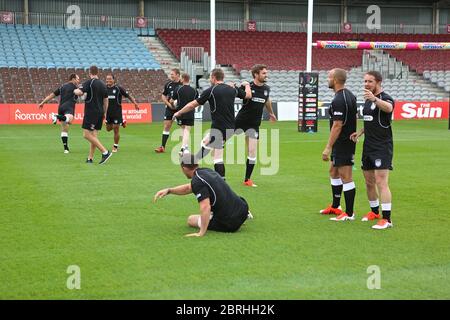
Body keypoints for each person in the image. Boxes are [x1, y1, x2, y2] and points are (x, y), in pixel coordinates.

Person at [173, 68, 251, 178]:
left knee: (217, 157)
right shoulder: (232, 89)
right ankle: (195, 161)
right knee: (206, 141)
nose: (210, 79)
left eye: (210, 77)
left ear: (214, 77)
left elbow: (192, 105)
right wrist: (247, 85)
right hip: (230, 127)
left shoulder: (211, 90)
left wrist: (179, 112)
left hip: (219, 128)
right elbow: (248, 95)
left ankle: (221, 183)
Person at [153, 154, 252, 237]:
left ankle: (229, 219)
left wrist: (201, 232)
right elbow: (189, 188)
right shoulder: (206, 171)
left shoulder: (197, 181)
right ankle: (241, 216)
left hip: (229, 223)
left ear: (184, 168)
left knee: (191, 219)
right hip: (242, 210)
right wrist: (169, 190)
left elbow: (205, 207)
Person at [350, 71, 395, 230]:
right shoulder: (367, 100)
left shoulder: (385, 98)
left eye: (370, 81)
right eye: (365, 81)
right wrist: (361, 132)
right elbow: (370, 121)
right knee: (369, 182)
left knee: (381, 182)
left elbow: (389, 108)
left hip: (382, 147)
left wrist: (375, 99)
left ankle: (387, 219)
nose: (366, 84)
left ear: (378, 82)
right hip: (368, 146)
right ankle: (374, 212)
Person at [321, 68, 358, 222]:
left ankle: (349, 213)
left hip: (343, 142)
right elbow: (354, 116)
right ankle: (336, 206)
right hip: (343, 142)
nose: (327, 79)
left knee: (346, 176)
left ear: (335, 79)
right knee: (333, 172)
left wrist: (328, 147)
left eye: (329, 77)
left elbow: (337, 125)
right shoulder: (349, 95)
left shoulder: (339, 99)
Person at [235, 64, 277, 187]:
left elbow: (267, 100)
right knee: (219, 141)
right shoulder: (247, 86)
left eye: (266, 73)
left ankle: (247, 179)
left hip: (254, 125)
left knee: (252, 151)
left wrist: (271, 113)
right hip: (240, 121)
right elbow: (236, 94)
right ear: (256, 75)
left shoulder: (267, 88)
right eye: (263, 73)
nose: (266, 75)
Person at [74, 65, 112, 165]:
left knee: (86, 135)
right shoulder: (103, 84)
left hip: (91, 112)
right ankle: (90, 158)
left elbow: (79, 92)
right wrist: (105, 113)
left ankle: (105, 152)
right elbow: (106, 100)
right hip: (100, 112)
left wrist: (74, 90)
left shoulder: (89, 82)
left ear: (89, 72)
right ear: (98, 72)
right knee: (94, 136)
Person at [38, 73, 80, 153]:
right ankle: (56, 116)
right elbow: (81, 93)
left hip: (61, 108)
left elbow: (52, 95)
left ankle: (66, 149)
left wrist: (43, 102)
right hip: (69, 107)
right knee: (70, 120)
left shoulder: (62, 87)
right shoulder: (75, 87)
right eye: (78, 79)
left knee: (65, 129)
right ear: (73, 79)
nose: (78, 80)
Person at [105, 74, 140, 153]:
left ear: (114, 80)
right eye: (107, 79)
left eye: (110, 79)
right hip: (108, 113)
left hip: (117, 112)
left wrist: (135, 103)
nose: (108, 80)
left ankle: (115, 146)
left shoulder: (118, 88)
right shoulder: (104, 89)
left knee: (116, 129)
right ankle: (122, 122)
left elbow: (128, 96)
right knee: (108, 129)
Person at [155, 68, 182, 153]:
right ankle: (162, 147)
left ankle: (183, 148)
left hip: (180, 109)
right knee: (166, 126)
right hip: (170, 108)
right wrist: (168, 104)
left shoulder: (182, 84)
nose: (171, 76)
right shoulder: (168, 84)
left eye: (172, 74)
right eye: (171, 74)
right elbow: (163, 96)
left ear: (177, 75)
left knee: (183, 128)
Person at [170, 73, 198, 155]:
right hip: (190, 112)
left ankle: (184, 148)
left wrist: (174, 106)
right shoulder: (194, 91)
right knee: (187, 130)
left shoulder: (178, 89)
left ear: (182, 79)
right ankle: (184, 148)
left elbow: (171, 101)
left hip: (180, 113)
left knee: (183, 130)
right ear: (189, 79)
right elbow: (196, 102)